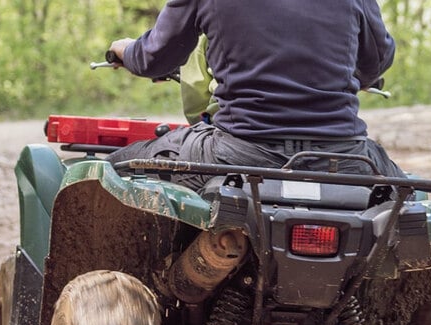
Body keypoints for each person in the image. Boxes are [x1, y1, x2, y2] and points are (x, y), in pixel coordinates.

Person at [108, 0, 404, 190]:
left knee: (111, 172)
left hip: (239, 153)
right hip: (344, 156)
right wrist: (357, 76)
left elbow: (155, 57)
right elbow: (377, 59)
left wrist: (125, 50)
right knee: (411, 199)